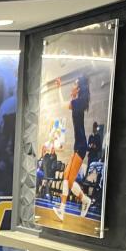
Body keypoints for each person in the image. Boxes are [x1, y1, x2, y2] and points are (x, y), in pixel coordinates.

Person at [53, 75, 92, 220]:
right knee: (66, 177)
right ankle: (84, 200)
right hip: (78, 145)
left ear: (79, 88)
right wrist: (59, 89)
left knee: (68, 179)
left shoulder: (78, 102)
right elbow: (65, 104)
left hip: (81, 146)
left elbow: (63, 104)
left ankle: (64, 210)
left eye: (74, 84)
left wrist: (59, 89)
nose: (72, 86)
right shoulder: (78, 102)